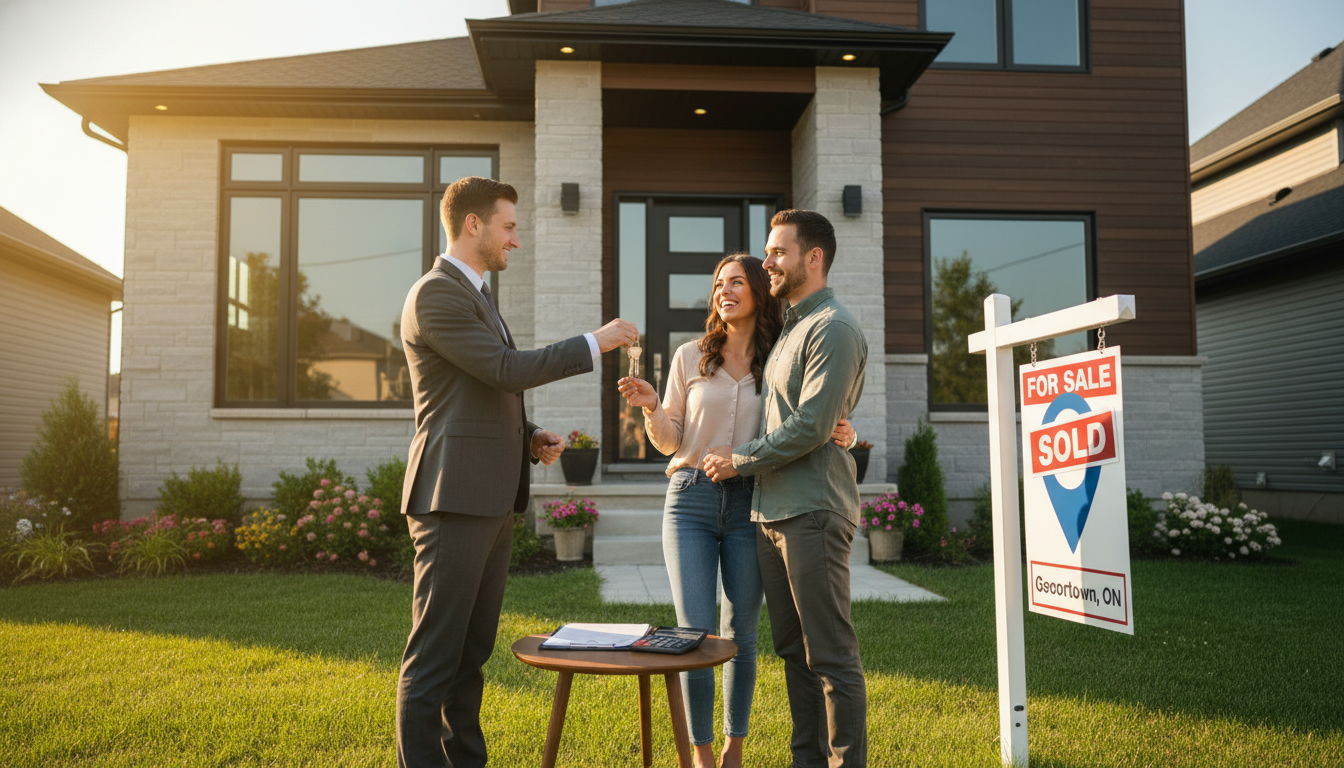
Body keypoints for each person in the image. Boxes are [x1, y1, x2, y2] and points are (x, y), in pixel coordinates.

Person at [396, 175, 638, 768]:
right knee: (434, 658)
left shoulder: (475, 294)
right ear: (473, 224)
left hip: (490, 498)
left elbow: (475, 390)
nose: (516, 241)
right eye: (509, 227)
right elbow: (505, 369)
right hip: (452, 498)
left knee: (471, 654)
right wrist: (595, 342)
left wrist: (529, 439)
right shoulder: (436, 294)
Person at [618, 253, 856, 768]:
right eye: (718, 284)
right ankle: (701, 752)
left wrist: (847, 429)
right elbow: (670, 441)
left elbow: (810, 415)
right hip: (690, 499)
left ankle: (734, 748)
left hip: (753, 499)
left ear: (758, 293)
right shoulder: (689, 357)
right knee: (694, 632)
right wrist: (651, 406)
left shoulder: (777, 359)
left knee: (741, 634)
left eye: (736, 282)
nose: (724, 291)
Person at [703, 210, 869, 768]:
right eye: (768, 252)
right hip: (772, 512)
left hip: (813, 509)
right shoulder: (793, 327)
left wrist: (739, 460)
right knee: (794, 655)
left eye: (778, 252)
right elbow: (809, 417)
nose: (767, 261)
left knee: (831, 655)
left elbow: (812, 426)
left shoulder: (833, 328)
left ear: (813, 257)